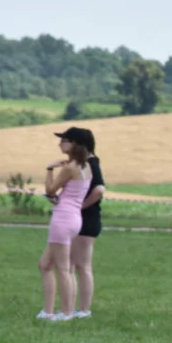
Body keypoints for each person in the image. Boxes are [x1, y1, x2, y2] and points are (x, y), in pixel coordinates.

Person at [38, 127, 93, 321]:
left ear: (75, 144)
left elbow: (51, 190)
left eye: (65, 140)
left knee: (62, 268)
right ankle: (48, 311)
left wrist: (50, 169)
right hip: (73, 218)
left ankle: (66, 312)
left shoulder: (70, 168)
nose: (60, 143)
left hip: (63, 219)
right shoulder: (85, 167)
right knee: (44, 264)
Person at [71, 129, 105, 318]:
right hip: (81, 218)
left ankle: (84, 309)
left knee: (82, 266)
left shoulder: (91, 163)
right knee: (74, 264)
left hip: (87, 220)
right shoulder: (83, 164)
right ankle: (75, 307)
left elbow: (99, 189)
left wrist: (80, 206)